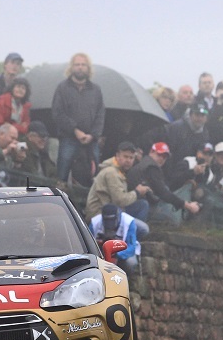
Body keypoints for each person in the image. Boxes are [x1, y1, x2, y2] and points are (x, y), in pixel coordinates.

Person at [52, 53, 105, 184]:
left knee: (94, 176)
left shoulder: (96, 90)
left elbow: (101, 114)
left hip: (91, 140)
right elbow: (58, 113)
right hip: (68, 138)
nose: (80, 67)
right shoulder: (62, 88)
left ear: (88, 68)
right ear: (72, 67)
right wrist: (75, 130)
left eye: (83, 64)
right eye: (77, 64)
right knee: (62, 175)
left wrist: (93, 135)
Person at [127, 142, 201, 220]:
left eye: (165, 157)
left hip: (135, 204)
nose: (162, 159)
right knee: (170, 219)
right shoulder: (151, 167)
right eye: (159, 155)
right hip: (137, 206)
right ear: (151, 152)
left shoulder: (144, 163)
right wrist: (187, 206)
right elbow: (163, 193)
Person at [85, 141, 151, 223]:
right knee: (143, 229)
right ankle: (128, 234)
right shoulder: (111, 172)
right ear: (117, 156)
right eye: (125, 157)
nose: (128, 160)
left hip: (112, 210)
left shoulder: (119, 171)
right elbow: (120, 201)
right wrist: (137, 192)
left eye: (131, 158)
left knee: (142, 205)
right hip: (100, 215)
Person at [89, 204, 141, 274]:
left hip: (122, 252)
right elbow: (88, 244)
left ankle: (126, 279)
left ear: (118, 217)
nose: (109, 223)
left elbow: (131, 247)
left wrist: (118, 254)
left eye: (112, 220)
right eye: (107, 220)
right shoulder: (95, 223)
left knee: (131, 263)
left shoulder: (128, 222)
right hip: (100, 252)